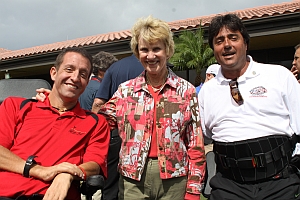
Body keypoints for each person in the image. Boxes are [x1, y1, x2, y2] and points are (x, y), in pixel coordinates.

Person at [98, 15, 206, 200]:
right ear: (137, 52)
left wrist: (193, 189)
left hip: (174, 180)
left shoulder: (185, 91)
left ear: (168, 50)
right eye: (144, 50)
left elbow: (195, 144)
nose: (150, 56)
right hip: (133, 181)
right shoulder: (125, 91)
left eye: (157, 49)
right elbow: (97, 125)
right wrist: (57, 100)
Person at [198, 13, 300, 200]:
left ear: (245, 43)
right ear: (214, 49)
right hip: (229, 186)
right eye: (219, 40)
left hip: (279, 181)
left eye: (233, 38)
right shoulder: (207, 91)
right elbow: (203, 136)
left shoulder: (279, 76)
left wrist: (296, 165)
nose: (227, 45)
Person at [0, 47, 110, 200]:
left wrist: (67, 174)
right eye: (69, 69)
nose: (75, 78)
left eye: (83, 74)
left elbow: (95, 165)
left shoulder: (96, 122)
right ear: (53, 73)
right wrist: (38, 170)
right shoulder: (16, 106)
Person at [91, 54, 143, 200]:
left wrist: (95, 134)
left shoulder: (115, 68)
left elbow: (98, 103)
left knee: (111, 186)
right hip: (142, 136)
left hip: (115, 132)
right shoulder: (154, 66)